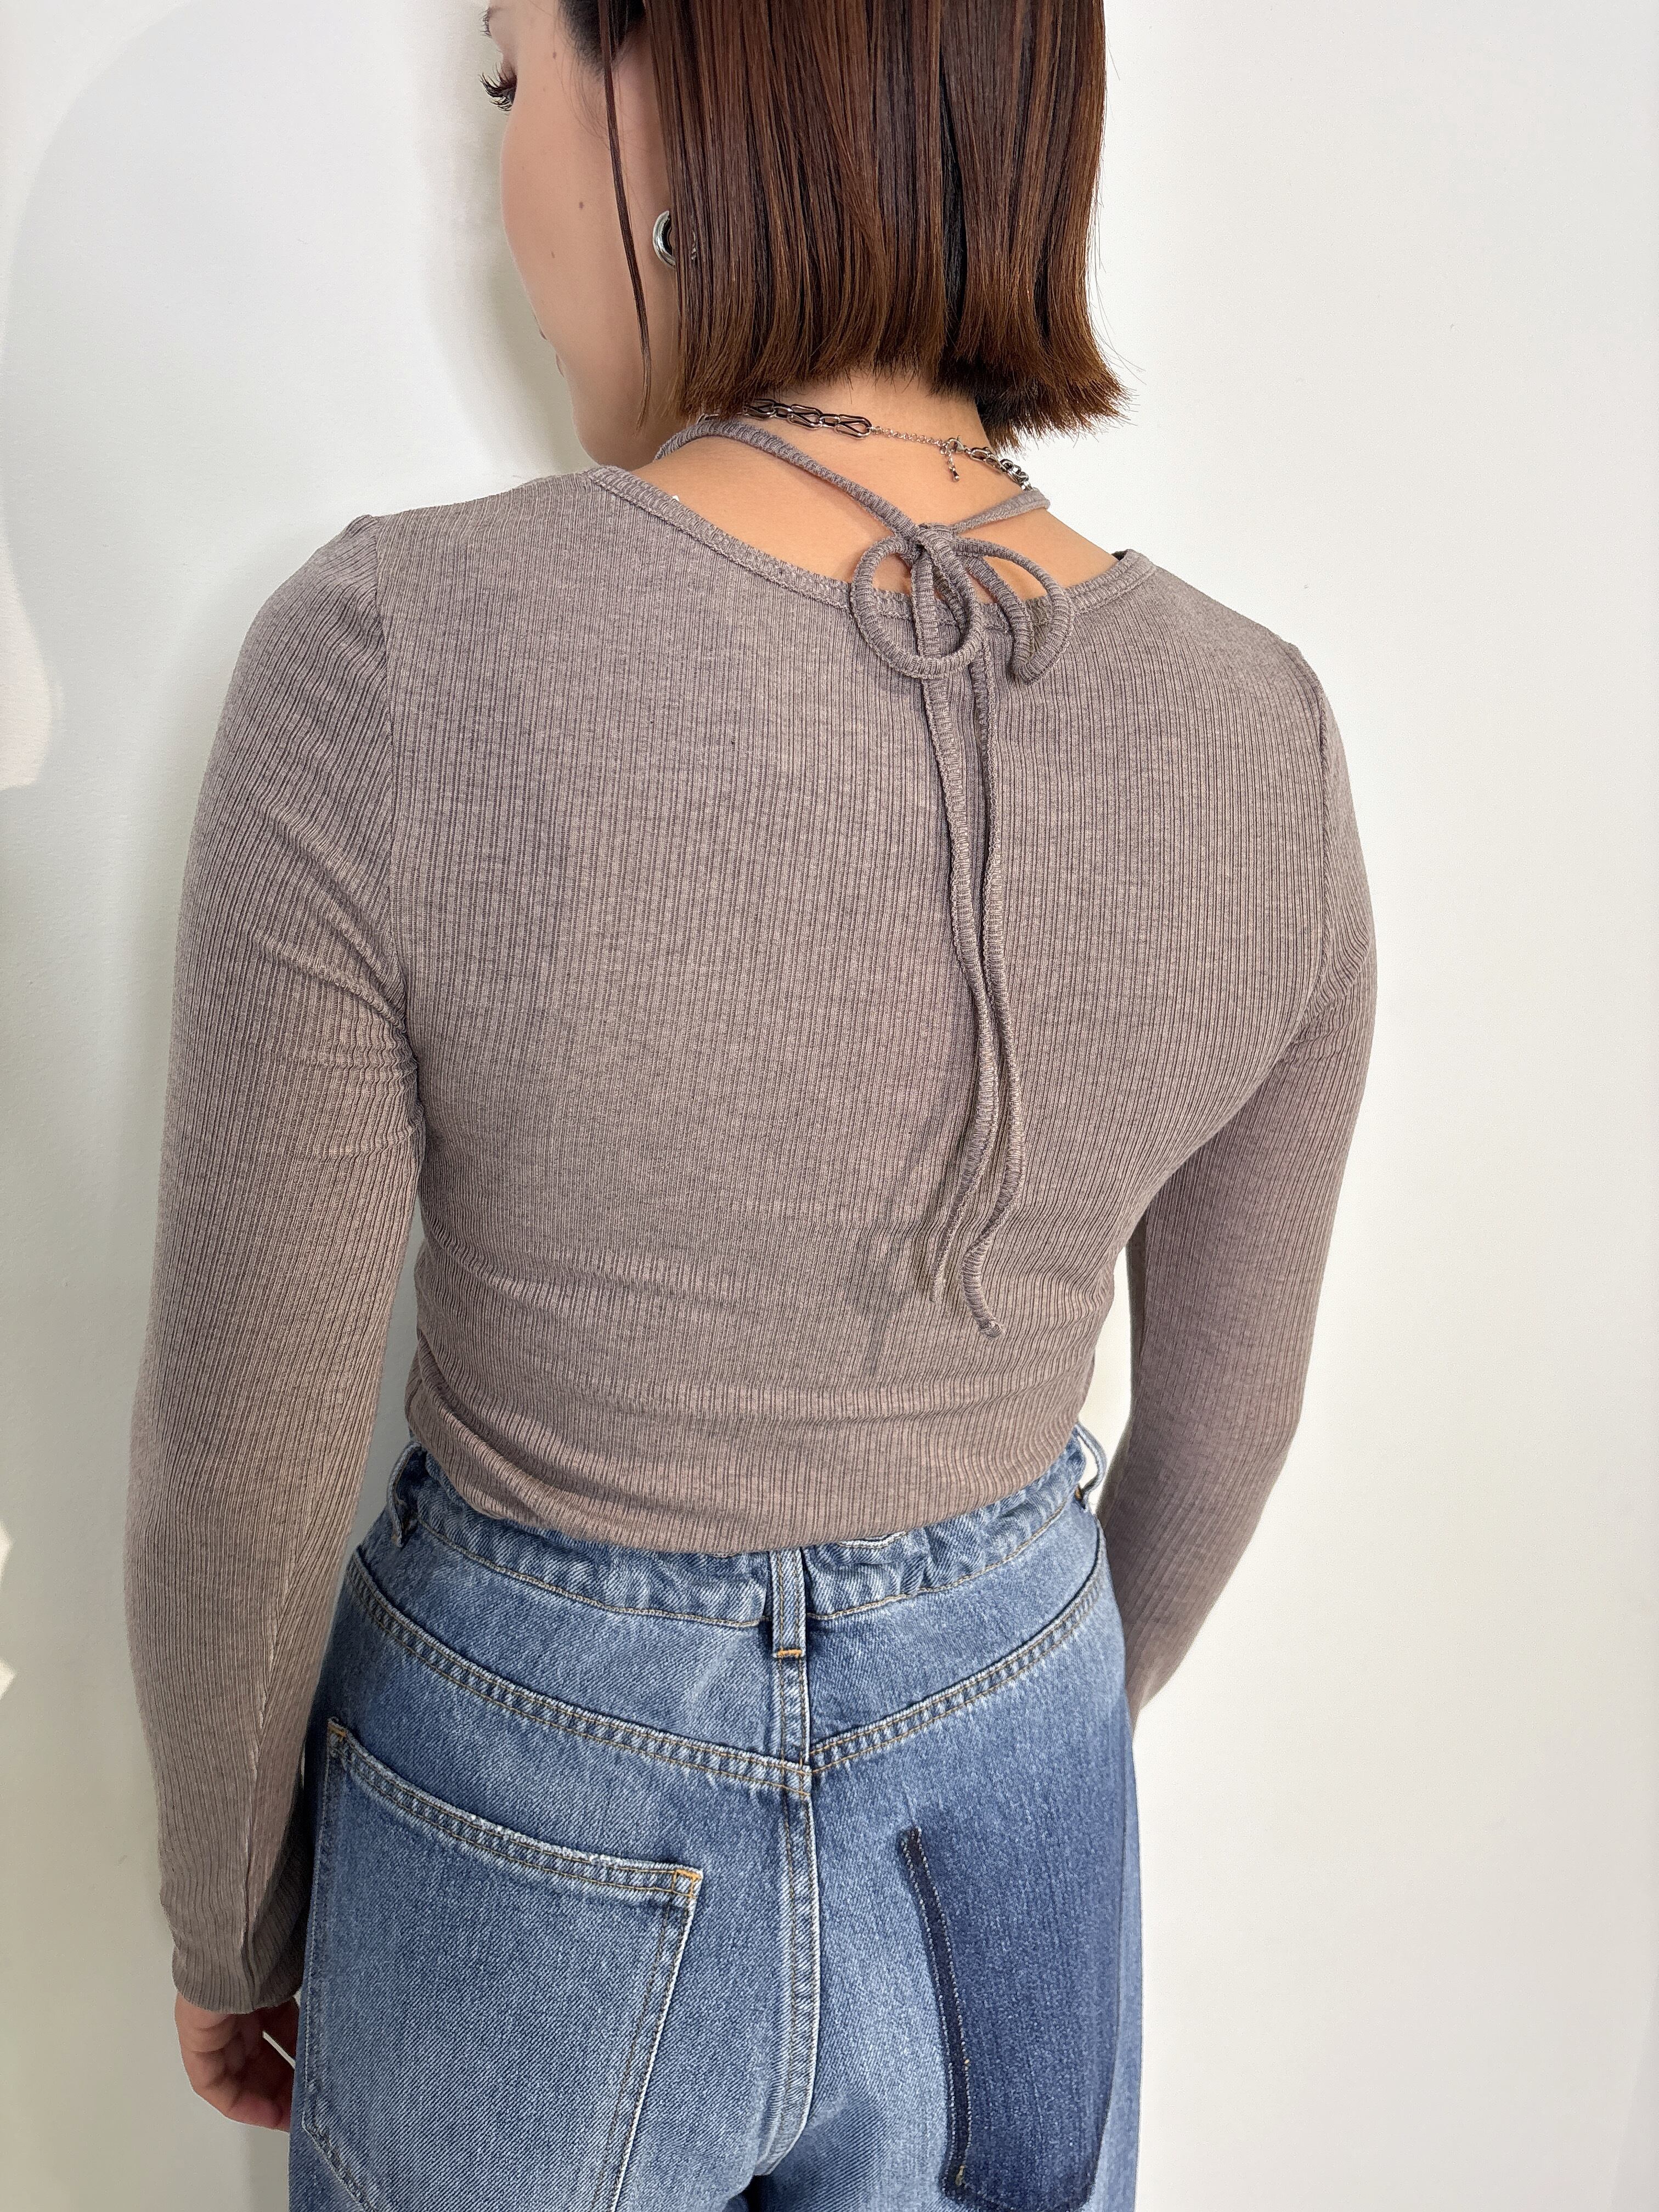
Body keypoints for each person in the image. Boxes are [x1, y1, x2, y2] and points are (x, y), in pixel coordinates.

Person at [122, 1, 1378, 2205]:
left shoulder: (399, 655)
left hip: (529, 1798)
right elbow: (1226, 1428)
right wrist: (1004, 1726)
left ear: (683, 76)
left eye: (510, 79)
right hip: (1020, 1776)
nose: (497, 183)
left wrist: (234, 1918)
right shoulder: (1261, 730)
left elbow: (246, 1458)